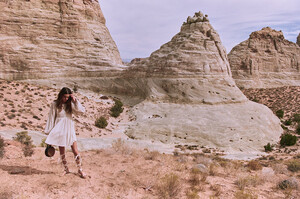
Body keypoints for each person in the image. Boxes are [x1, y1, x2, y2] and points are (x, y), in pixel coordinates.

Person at [44, 87, 86, 178]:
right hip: (59, 130)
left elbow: (81, 111)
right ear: (61, 95)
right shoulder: (55, 104)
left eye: (68, 97)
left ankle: (80, 170)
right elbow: (51, 118)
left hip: (69, 129)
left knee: (75, 151)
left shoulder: (70, 104)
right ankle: (66, 169)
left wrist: (75, 101)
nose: (66, 99)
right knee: (62, 152)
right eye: (64, 97)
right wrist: (49, 132)